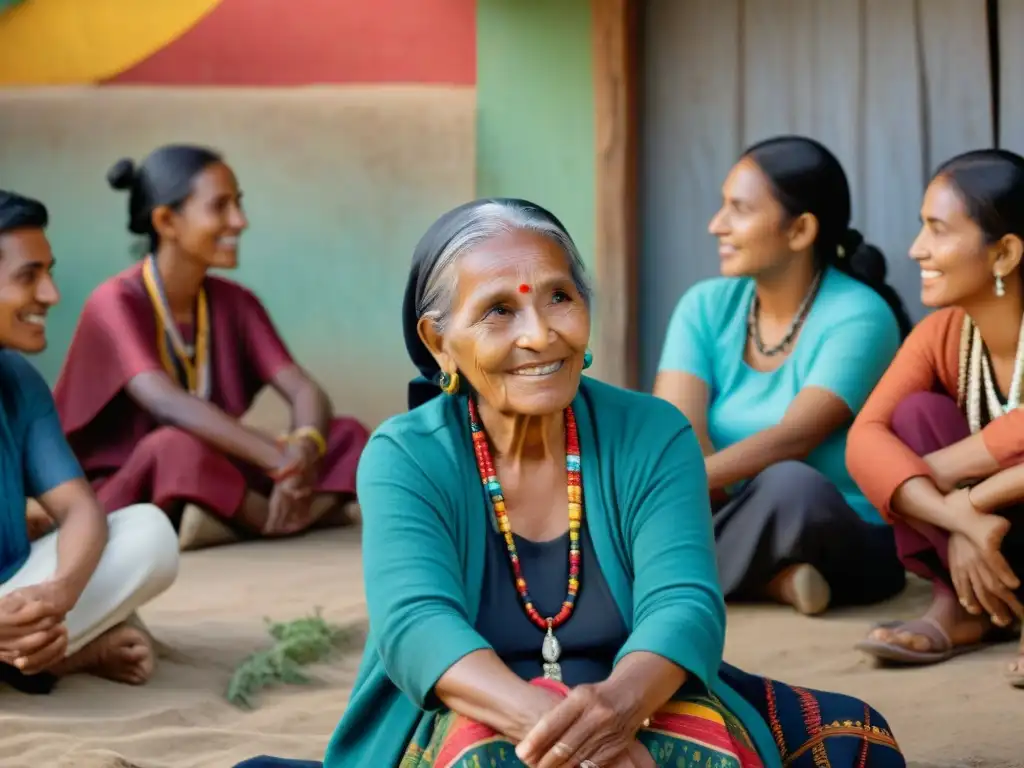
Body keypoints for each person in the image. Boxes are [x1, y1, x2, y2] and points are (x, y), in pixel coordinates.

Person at [235, 199, 905, 768]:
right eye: (499, 311)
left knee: (857, 741)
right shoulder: (407, 455)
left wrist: (618, 709)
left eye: (559, 296)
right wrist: (560, 736)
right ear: (439, 343)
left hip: (638, 695)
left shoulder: (652, 434)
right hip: (478, 707)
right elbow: (416, 627)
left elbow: (685, 604)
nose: (540, 334)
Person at [53, 145, 370, 551]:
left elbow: (303, 390)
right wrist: (278, 461)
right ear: (166, 221)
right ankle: (286, 515)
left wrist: (304, 449)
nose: (239, 221)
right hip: (131, 477)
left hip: (218, 464)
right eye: (219, 207)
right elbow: (164, 401)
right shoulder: (114, 301)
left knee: (349, 435)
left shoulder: (234, 301)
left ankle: (251, 515)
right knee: (172, 446)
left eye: (238, 204)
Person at [653, 136, 910, 615]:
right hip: (724, 509)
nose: (716, 225)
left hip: (836, 529)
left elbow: (796, 438)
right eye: (721, 206)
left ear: (801, 230)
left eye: (739, 209)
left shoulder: (861, 315)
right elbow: (678, 428)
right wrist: (680, 484)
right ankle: (775, 580)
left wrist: (667, 485)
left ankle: (650, 578)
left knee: (792, 484)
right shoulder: (704, 306)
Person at [849, 149, 1024, 685]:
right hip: (985, 534)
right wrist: (960, 519)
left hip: (989, 511)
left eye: (937, 230)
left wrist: (969, 494)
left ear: (1004, 255)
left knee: (912, 459)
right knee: (915, 414)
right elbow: (865, 441)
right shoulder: (941, 334)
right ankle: (963, 605)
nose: (916, 249)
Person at [0, 190, 178, 692]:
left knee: (149, 532)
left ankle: (32, 651)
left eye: (48, 272)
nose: (51, 294)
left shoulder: (18, 380)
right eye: (28, 276)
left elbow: (81, 511)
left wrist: (60, 593)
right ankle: (56, 656)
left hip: (17, 597)